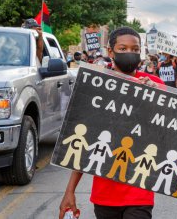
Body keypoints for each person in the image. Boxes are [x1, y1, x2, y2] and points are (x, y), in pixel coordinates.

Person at [59, 27, 164, 219]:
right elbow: (86, 144)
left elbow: (172, 129)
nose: (129, 53)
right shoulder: (98, 86)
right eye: (123, 48)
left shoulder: (156, 85)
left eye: (135, 49)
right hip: (105, 195)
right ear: (110, 51)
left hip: (139, 192)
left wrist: (157, 96)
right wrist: (70, 190)